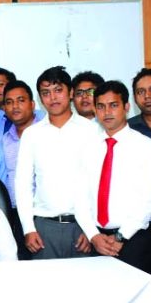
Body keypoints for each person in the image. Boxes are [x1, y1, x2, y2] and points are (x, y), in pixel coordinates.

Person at [75, 81, 151, 273]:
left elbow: (150, 200)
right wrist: (93, 235)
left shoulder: (147, 147)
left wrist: (121, 236)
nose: (107, 112)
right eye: (101, 106)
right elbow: (80, 198)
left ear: (127, 107)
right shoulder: (88, 149)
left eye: (113, 105)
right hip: (97, 240)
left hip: (134, 239)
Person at [17, 66, 100, 260]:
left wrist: (92, 231)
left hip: (82, 228)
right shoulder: (32, 134)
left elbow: (98, 183)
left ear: (70, 92)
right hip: (44, 229)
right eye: (46, 93)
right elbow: (23, 185)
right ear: (39, 98)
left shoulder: (92, 131)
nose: (53, 98)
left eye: (58, 90)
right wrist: (28, 228)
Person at [2, 80, 41, 208]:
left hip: (43, 214)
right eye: (9, 102)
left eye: (21, 100)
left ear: (32, 104)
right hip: (14, 211)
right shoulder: (4, 141)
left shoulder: (46, 134)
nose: (15, 106)